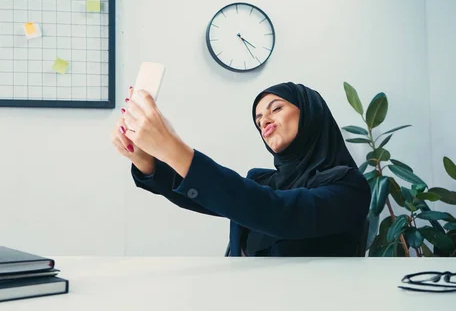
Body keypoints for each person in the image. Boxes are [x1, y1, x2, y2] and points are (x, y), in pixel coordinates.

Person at [110, 82, 371, 256]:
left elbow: (277, 212)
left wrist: (171, 146)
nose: (264, 121)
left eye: (276, 108)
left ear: (312, 113)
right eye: (258, 120)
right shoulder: (263, 180)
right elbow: (213, 198)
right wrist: (147, 160)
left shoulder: (349, 186)